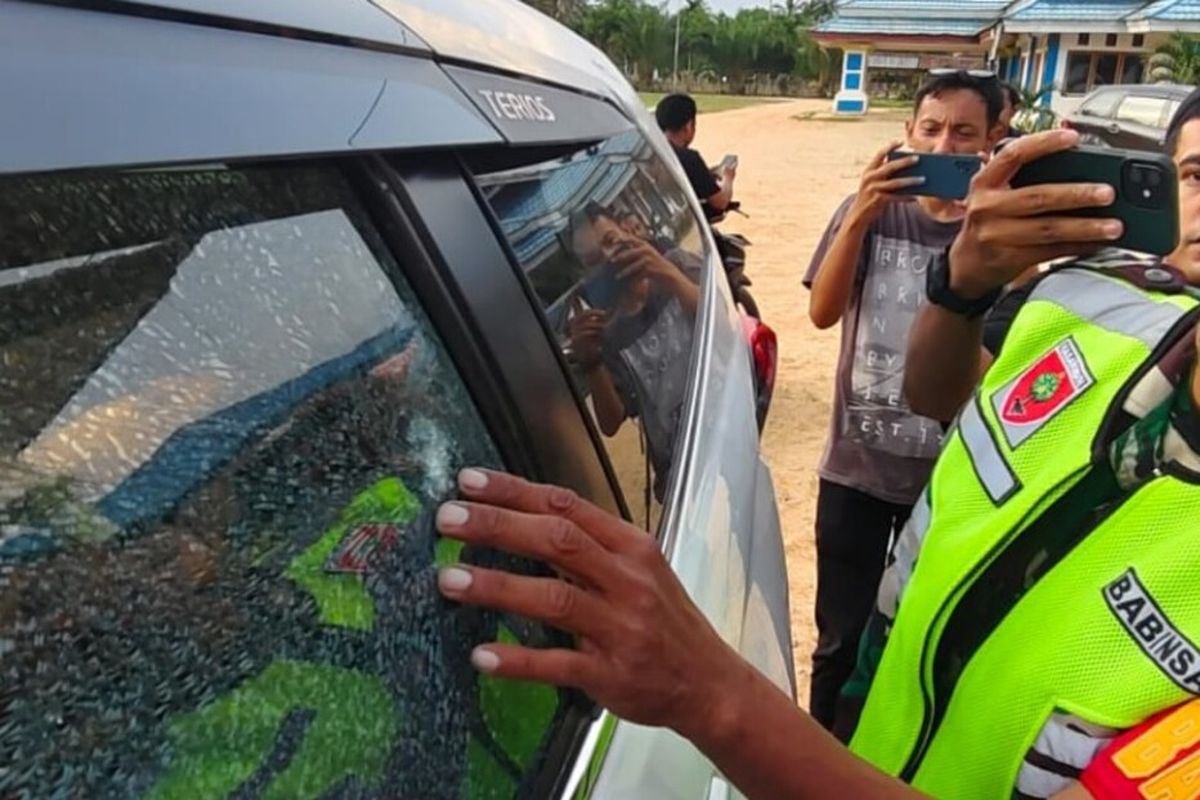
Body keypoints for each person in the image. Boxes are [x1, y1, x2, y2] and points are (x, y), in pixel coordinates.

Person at [433, 90, 1200, 800]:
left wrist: (711, 695)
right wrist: (957, 278)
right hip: (859, 489)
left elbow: (727, 334)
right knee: (840, 634)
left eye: (963, 133)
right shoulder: (1085, 300)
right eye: (1196, 174)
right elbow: (909, 374)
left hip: (898, 495)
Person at [802, 70, 1005, 732]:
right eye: (931, 128)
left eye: (964, 133)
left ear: (992, 142)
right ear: (907, 133)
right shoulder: (871, 210)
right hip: (855, 470)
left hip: (945, 485)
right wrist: (860, 212)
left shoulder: (996, 239)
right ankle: (816, 761)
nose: (944, 144)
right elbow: (822, 312)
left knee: (917, 639)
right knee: (838, 639)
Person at [655, 93, 736, 221]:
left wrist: (708, 173)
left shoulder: (653, 150)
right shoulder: (689, 158)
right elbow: (720, 202)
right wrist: (728, 178)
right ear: (688, 126)